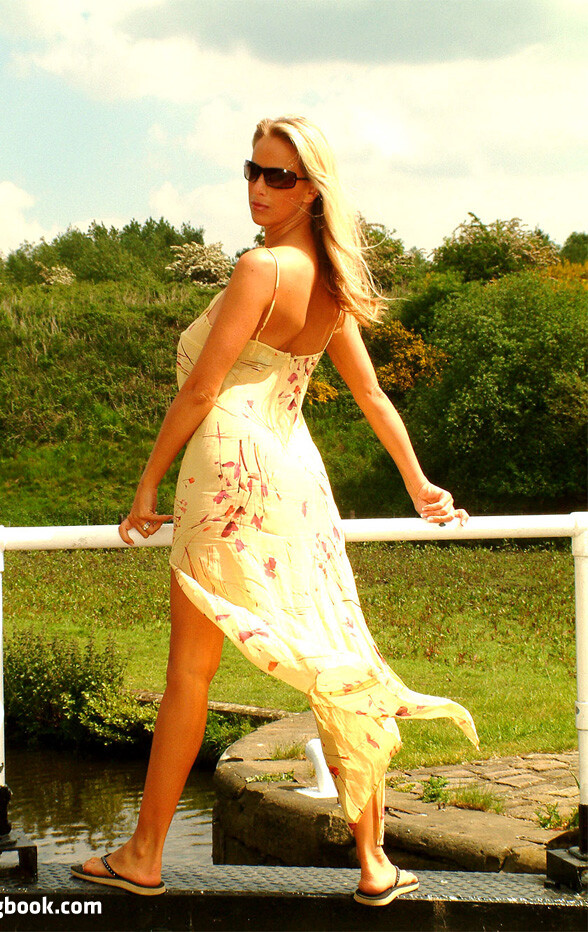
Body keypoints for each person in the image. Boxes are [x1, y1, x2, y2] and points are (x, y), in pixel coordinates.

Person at [72, 115, 478, 905]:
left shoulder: (261, 268)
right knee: (336, 648)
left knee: (190, 673)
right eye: (252, 171)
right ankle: (374, 862)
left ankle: (145, 854)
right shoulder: (332, 285)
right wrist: (418, 482)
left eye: (279, 176)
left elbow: (203, 388)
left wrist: (147, 483)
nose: (259, 187)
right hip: (297, 474)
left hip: (226, 469)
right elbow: (371, 395)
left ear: (312, 189)